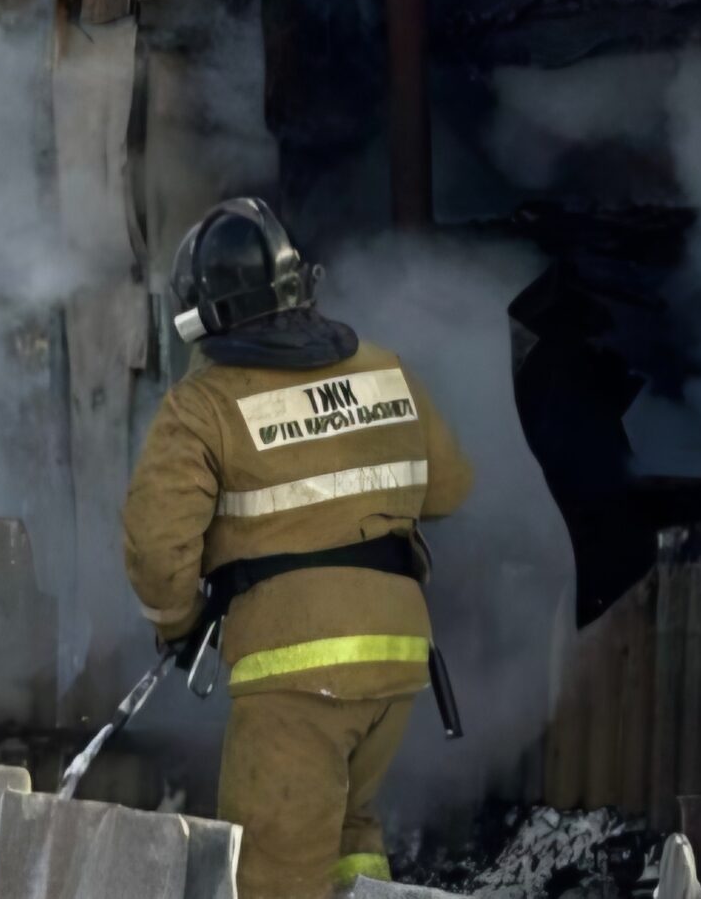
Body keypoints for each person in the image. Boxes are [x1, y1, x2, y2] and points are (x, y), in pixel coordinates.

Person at [122, 200, 474, 899]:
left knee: (273, 878)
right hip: (398, 662)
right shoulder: (384, 370)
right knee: (351, 834)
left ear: (206, 316)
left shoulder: (202, 404)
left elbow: (158, 548)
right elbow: (451, 487)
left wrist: (177, 622)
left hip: (297, 673)